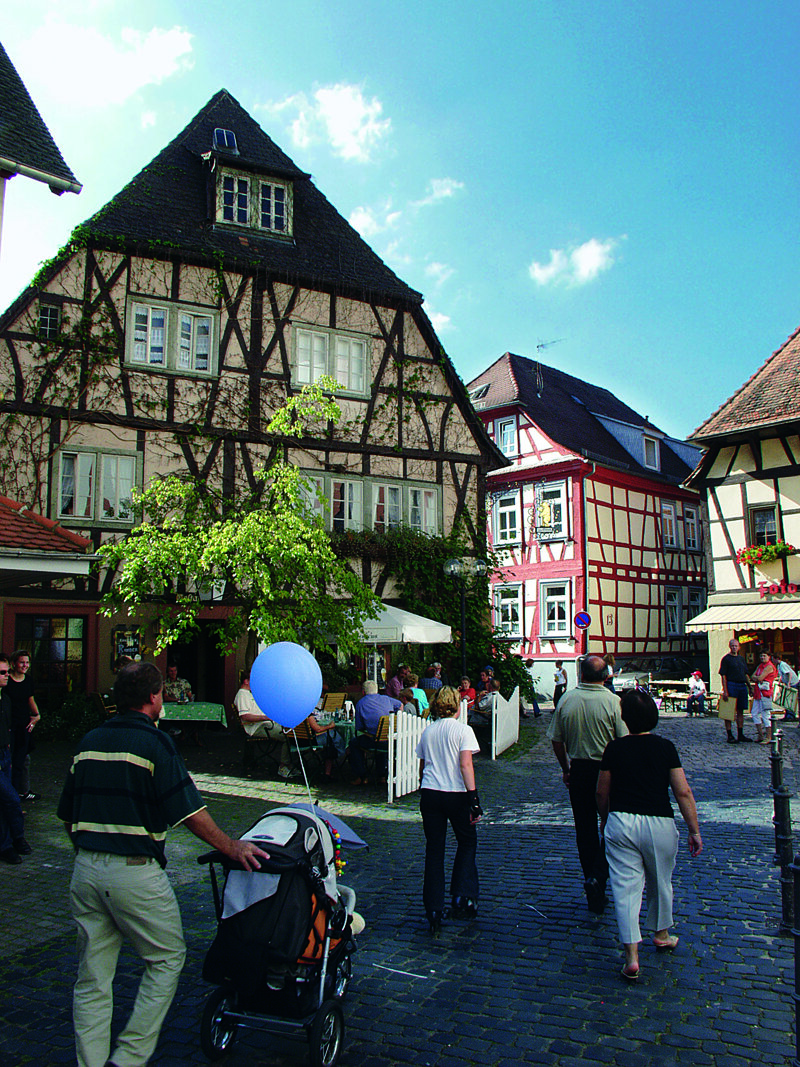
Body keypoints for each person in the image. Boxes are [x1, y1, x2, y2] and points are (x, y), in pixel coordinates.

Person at [57, 661, 268, 1067]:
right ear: (154, 698)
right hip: (134, 872)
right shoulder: (156, 744)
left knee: (92, 978)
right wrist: (231, 846)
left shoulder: (88, 741)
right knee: (167, 956)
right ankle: (130, 1058)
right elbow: (189, 811)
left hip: (85, 869)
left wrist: (87, 851)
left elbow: (67, 816)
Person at [596, 688, 703, 981]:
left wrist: (607, 820)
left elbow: (601, 791)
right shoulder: (665, 748)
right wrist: (693, 830)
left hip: (622, 822)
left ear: (625, 719)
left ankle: (631, 956)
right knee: (661, 881)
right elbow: (683, 792)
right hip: (658, 822)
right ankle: (661, 933)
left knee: (625, 888)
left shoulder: (614, 748)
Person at [547, 654, 627, 913]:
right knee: (612, 825)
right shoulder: (614, 702)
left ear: (580, 675)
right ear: (607, 676)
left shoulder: (567, 700)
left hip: (579, 768)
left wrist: (565, 767)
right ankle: (598, 876)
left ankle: (592, 882)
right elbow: (624, 742)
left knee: (585, 829)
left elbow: (556, 740)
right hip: (609, 771)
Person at [416, 685, 483, 933]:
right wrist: (474, 799)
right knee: (467, 842)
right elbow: (466, 765)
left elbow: (423, 766)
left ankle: (433, 907)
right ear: (457, 706)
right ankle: (461, 893)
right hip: (455, 793)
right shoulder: (463, 731)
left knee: (434, 849)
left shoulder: (428, 731)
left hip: (431, 793)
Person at [235, 669, 296, 778]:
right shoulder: (242, 695)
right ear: (246, 681)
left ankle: (289, 764)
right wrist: (265, 717)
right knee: (288, 735)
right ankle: (283, 766)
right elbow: (245, 716)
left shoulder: (249, 694)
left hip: (264, 724)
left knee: (292, 731)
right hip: (256, 728)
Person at [0, 653, 30, 864]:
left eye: (7, 672)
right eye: (2, 673)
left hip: (5, 755)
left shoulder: (6, 699)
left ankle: (10, 842)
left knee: (6, 801)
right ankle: (14, 840)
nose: (6, 676)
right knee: (11, 798)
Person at [348, 681, 402, 785]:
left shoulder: (361, 703)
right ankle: (381, 775)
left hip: (376, 740)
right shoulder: (386, 699)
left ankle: (361, 775)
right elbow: (400, 705)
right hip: (391, 740)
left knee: (354, 743)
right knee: (379, 739)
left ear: (363, 692)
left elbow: (359, 727)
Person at [8, 649, 41, 802]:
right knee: (11, 760)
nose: (25, 665)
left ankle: (22, 791)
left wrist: (36, 716)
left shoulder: (28, 681)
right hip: (9, 725)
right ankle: (12, 793)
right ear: (14, 663)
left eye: (27, 662)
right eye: (22, 662)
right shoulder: (6, 680)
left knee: (23, 759)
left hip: (23, 725)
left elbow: (30, 700)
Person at [719, 638, 753, 743]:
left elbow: (745, 674)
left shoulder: (741, 659)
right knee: (728, 711)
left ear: (739, 647)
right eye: (732, 646)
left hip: (741, 685)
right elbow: (723, 675)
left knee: (740, 711)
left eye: (736, 646)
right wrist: (725, 690)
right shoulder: (726, 659)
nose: (734, 648)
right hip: (731, 684)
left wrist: (750, 687)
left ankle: (740, 734)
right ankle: (729, 735)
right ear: (730, 646)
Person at [752, 651, 779, 743]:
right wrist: (758, 678)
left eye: (764, 656)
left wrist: (758, 678)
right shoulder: (760, 666)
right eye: (761, 656)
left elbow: (759, 678)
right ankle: (760, 735)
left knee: (765, 715)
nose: (762, 657)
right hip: (758, 692)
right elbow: (753, 676)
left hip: (765, 693)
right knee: (754, 713)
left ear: (769, 656)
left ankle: (768, 736)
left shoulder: (769, 666)